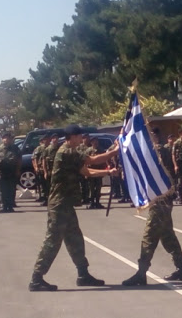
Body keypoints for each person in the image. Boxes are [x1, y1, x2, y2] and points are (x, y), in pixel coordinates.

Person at [29, 124, 119, 291]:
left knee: (75, 239)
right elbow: (92, 160)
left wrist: (108, 172)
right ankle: (36, 278)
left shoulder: (71, 152)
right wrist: (114, 151)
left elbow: (87, 172)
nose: (81, 139)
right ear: (72, 137)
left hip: (66, 205)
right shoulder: (67, 152)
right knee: (52, 241)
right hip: (59, 204)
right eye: (79, 136)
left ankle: (83, 274)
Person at [122, 128, 182, 286]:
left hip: (160, 199)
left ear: (154, 136)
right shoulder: (157, 150)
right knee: (167, 235)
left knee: (149, 236)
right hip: (162, 198)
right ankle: (181, 269)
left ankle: (141, 272)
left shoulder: (158, 150)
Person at [0, 132, 21, 213]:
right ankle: (5, 206)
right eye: (4, 138)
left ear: (10, 139)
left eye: (8, 138)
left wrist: (18, 170)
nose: (6, 140)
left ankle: (10, 205)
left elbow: (19, 160)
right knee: (3, 190)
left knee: (11, 189)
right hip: (2, 172)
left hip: (12, 171)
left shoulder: (15, 148)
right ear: (2, 139)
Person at [87, 137, 106, 209]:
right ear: (91, 142)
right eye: (94, 141)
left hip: (99, 171)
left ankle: (97, 202)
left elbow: (104, 159)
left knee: (98, 188)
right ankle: (92, 203)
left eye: (96, 141)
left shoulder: (101, 150)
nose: (95, 142)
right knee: (91, 188)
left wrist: (104, 171)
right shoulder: (88, 150)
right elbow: (85, 161)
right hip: (91, 171)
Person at [42, 134, 60, 206]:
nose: (55, 140)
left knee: (57, 187)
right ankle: (48, 200)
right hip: (50, 171)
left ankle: (57, 200)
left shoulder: (60, 148)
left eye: (56, 138)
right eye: (54, 138)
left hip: (58, 171)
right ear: (51, 139)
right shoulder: (47, 149)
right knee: (49, 186)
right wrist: (45, 172)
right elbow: (43, 161)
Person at [32, 134, 51, 203]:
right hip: (41, 169)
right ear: (43, 140)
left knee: (49, 184)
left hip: (49, 168)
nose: (48, 141)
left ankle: (49, 197)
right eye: (46, 139)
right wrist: (36, 167)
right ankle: (44, 198)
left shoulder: (50, 148)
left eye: (48, 139)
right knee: (43, 184)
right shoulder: (39, 148)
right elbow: (35, 158)